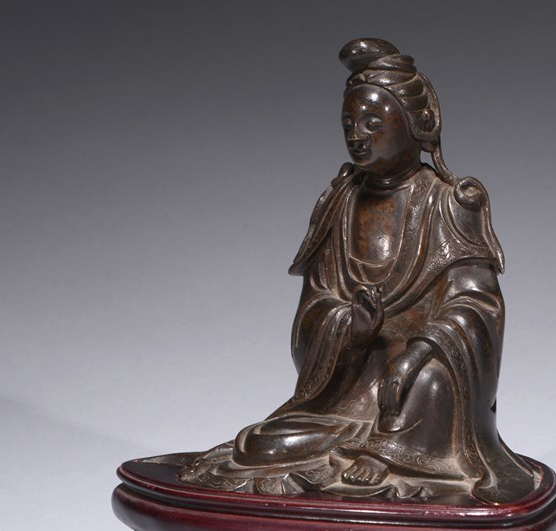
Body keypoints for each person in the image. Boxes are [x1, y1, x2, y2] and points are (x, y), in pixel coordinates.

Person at [180, 39, 537, 504]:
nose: (357, 135)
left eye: (373, 122)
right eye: (348, 124)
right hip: (350, 394)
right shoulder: (341, 202)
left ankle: (393, 454)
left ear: (416, 125)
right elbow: (314, 308)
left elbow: (476, 307)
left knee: (431, 382)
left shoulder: (448, 203)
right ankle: (361, 449)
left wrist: (415, 353)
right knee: (258, 444)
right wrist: (351, 326)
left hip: (420, 388)